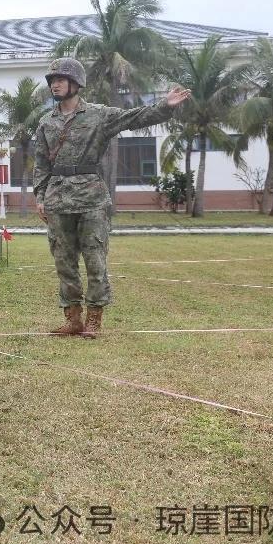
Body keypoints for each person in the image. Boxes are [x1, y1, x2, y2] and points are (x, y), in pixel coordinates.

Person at [34, 58, 192, 338]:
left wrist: (164, 106)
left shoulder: (99, 115)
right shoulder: (46, 122)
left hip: (91, 197)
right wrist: (40, 196)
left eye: (60, 79)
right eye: (51, 80)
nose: (54, 84)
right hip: (57, 198)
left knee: (95, 259)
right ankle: (72, 319)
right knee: (63, 261)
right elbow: (41, 164)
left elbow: (134, 117)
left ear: (76, 83)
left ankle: (94, 319)